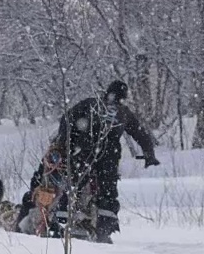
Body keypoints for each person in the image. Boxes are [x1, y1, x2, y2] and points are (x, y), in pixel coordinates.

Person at [18, 80, 160, 243]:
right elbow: (140, 133)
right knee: (107, 191)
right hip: (107, 155)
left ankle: (62, 223)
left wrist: (66, 142)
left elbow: (67, 118)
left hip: (82, 150)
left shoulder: (92, 104)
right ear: (123, 97)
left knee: (73, 186)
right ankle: (103, 229)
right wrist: (149, 154)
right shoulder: (123, 112)